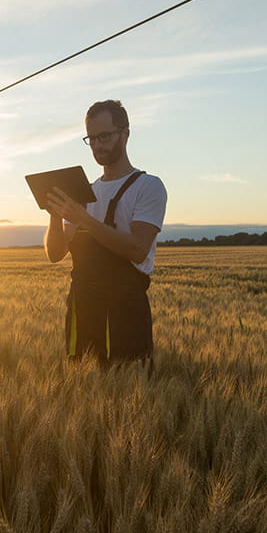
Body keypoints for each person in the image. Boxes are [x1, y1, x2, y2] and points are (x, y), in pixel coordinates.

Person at [44, 100, 167, 366]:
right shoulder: (83, 192)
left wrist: (84, 219)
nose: (98, 145)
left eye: (105, 136)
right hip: (82, 310)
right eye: (92, 138)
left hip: (124, 311)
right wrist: (55, 213)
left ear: (125, 133)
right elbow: (55, 253)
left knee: (128, 390)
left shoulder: (148, 186)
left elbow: (137, 248)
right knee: (83, 391)